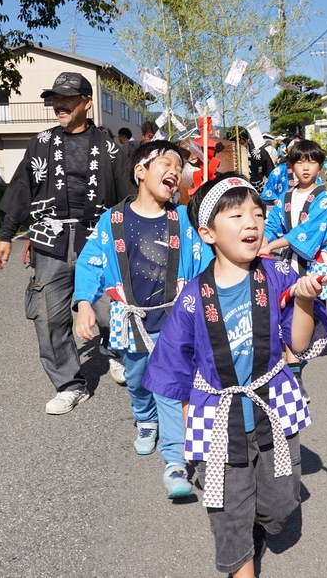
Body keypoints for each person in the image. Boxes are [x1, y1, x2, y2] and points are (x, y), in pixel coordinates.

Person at [143, 173, 327, 577]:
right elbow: (174, 366)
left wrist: (303, 301)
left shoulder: (278, 275)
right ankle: (240, 558)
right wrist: (188, 420)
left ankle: (261, 524)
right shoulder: (193, 297)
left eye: (257, 213)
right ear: (207, 232)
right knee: (228, 512)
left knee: (280, 503)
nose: (251, 222)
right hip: (216, 416)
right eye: (236, 215)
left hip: (274, 406)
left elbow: (297, 346)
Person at [73, 140, 213, 498]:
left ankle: (175, 463)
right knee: (137, 378)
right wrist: (85, 303)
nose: (175, 170)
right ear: (140, 171)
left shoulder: (183, 220)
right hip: (130, 318)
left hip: (176, 319)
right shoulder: (113, 220)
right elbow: (91, 263)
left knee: (170, 387)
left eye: (179, 166)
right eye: (166, 162)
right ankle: (144, 418)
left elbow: (208, 260)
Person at [0, 72, 133, 415]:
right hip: (49, 241)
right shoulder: (40, 142)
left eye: (68, 98)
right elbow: (22, 188)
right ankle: (70, 384)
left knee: (108, 307)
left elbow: (129, 196)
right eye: (55, 97)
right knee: (47, 315)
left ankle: (115, 350)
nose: (60, 103)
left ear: (87, 102)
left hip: (97, 239)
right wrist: (5, 235)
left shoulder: (110, 147)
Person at [261, 139, 327, 301]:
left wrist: (272, 246)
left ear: (320, 167)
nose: (306, 167)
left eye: (312, 162)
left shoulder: (324, 200)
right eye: (300, 162)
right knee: (289, 310)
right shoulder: (286, 197)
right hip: (290, 261)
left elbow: (306, 231)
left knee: (314, 312)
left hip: (315, 262)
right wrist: (263, 242)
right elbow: (272, 224)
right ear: (291, 166)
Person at [260, 135, 315, 205]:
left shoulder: (310, 170)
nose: (296, 152)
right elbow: (268, 196)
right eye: (293, 149)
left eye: (300, 149)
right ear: (286, 151)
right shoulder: (278, 172)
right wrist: (283, 205)